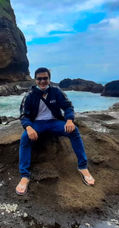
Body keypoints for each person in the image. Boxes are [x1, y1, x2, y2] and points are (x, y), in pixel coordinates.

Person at [16, 67, 95, 195]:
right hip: (37, 124)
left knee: (74, 131)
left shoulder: (56, 91)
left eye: (45, 78)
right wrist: (29, 127)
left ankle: (83, 167)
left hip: (54, 122)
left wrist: (69, 120)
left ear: (49, 79)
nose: (42, 81)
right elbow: (24, 115)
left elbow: (68, 106)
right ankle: (24, 175)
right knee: (25, 138)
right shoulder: (29, 95)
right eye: (39, 79)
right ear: (35, 80)